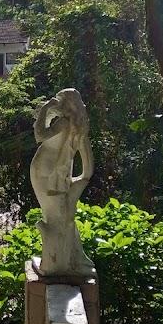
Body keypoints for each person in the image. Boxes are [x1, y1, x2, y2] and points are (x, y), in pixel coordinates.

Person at [29, 89, 95, 280]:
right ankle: (67, 261)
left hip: (44, 173)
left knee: (54, 219)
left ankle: (53, 264)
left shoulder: (63, 123)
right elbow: (88, 167)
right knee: (62, 218)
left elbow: (39, 135)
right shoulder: (80, 128)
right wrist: (80, 181)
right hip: (60, 177)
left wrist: (46, 109)